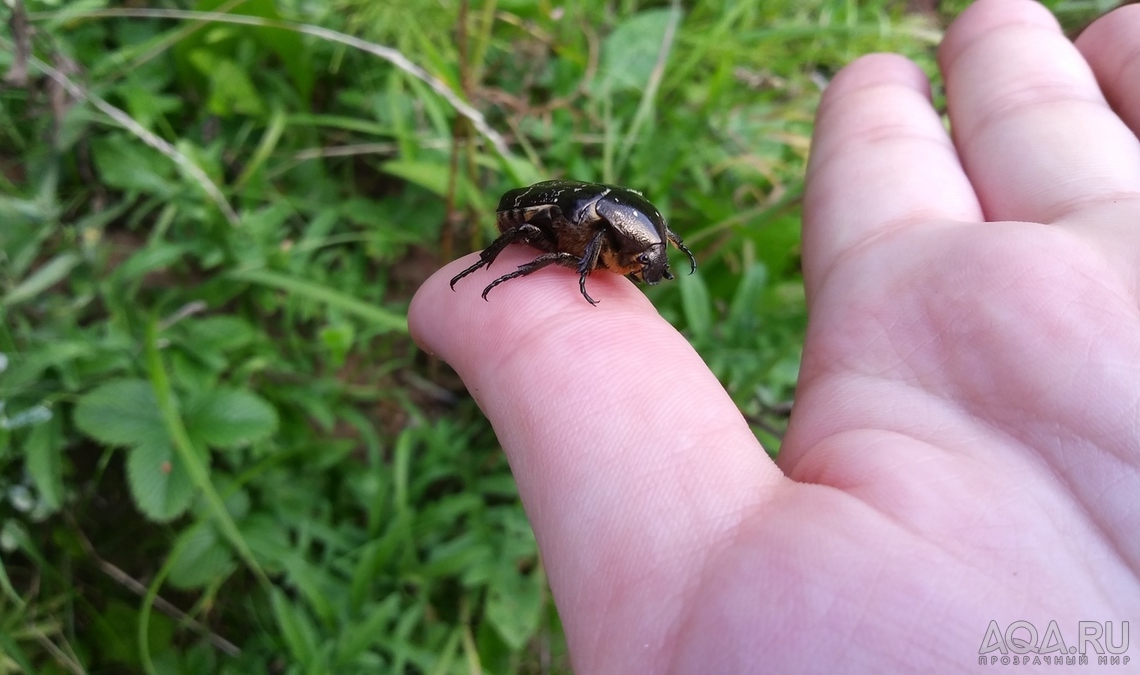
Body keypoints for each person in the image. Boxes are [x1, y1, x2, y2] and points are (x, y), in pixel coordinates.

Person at [409, 0, 1140, 670]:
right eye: (647, 255)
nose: (650, 266)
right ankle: (490, 270)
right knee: (523, 244)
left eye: (652, 254)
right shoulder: (580, 227)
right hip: (532, 211)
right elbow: (553, 230)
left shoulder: (619, 224)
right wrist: (539, 268)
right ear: (609, 237)